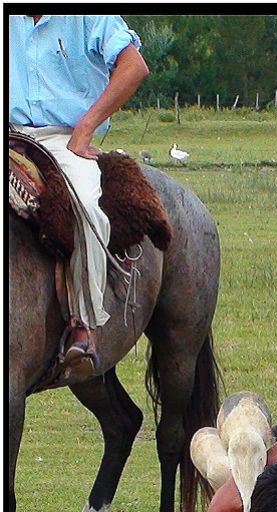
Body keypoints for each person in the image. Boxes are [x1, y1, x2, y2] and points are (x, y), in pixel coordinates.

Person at [9, 14, 149, 377]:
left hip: (64, 137)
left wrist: (85, 127)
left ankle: (84, 326)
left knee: (87, 207)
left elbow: (133, 66)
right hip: (9, 132)